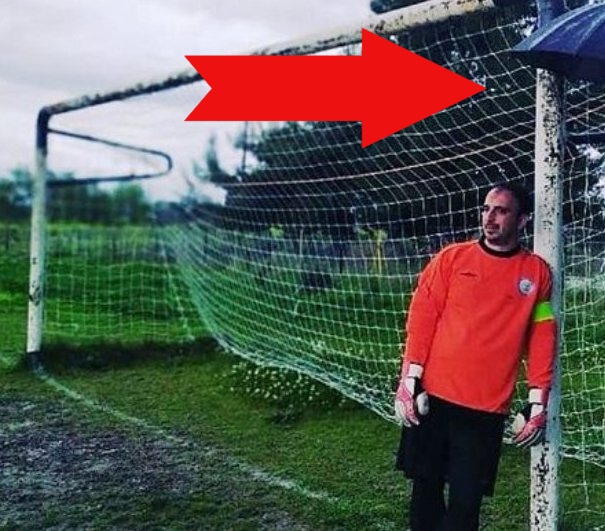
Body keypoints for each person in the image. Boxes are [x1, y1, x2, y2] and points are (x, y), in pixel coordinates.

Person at [394, 182, 556, 531]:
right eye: (486, 209)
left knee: (465, 509)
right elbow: (422, 318)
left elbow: (543, 338)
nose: (490, 218)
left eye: (501, 211)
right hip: (434, 399)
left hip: (485, 410)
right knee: (424, 499)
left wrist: (537, 401)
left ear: (522, 220)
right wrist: (409, 379)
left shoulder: (537, 274)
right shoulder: (451, 259)